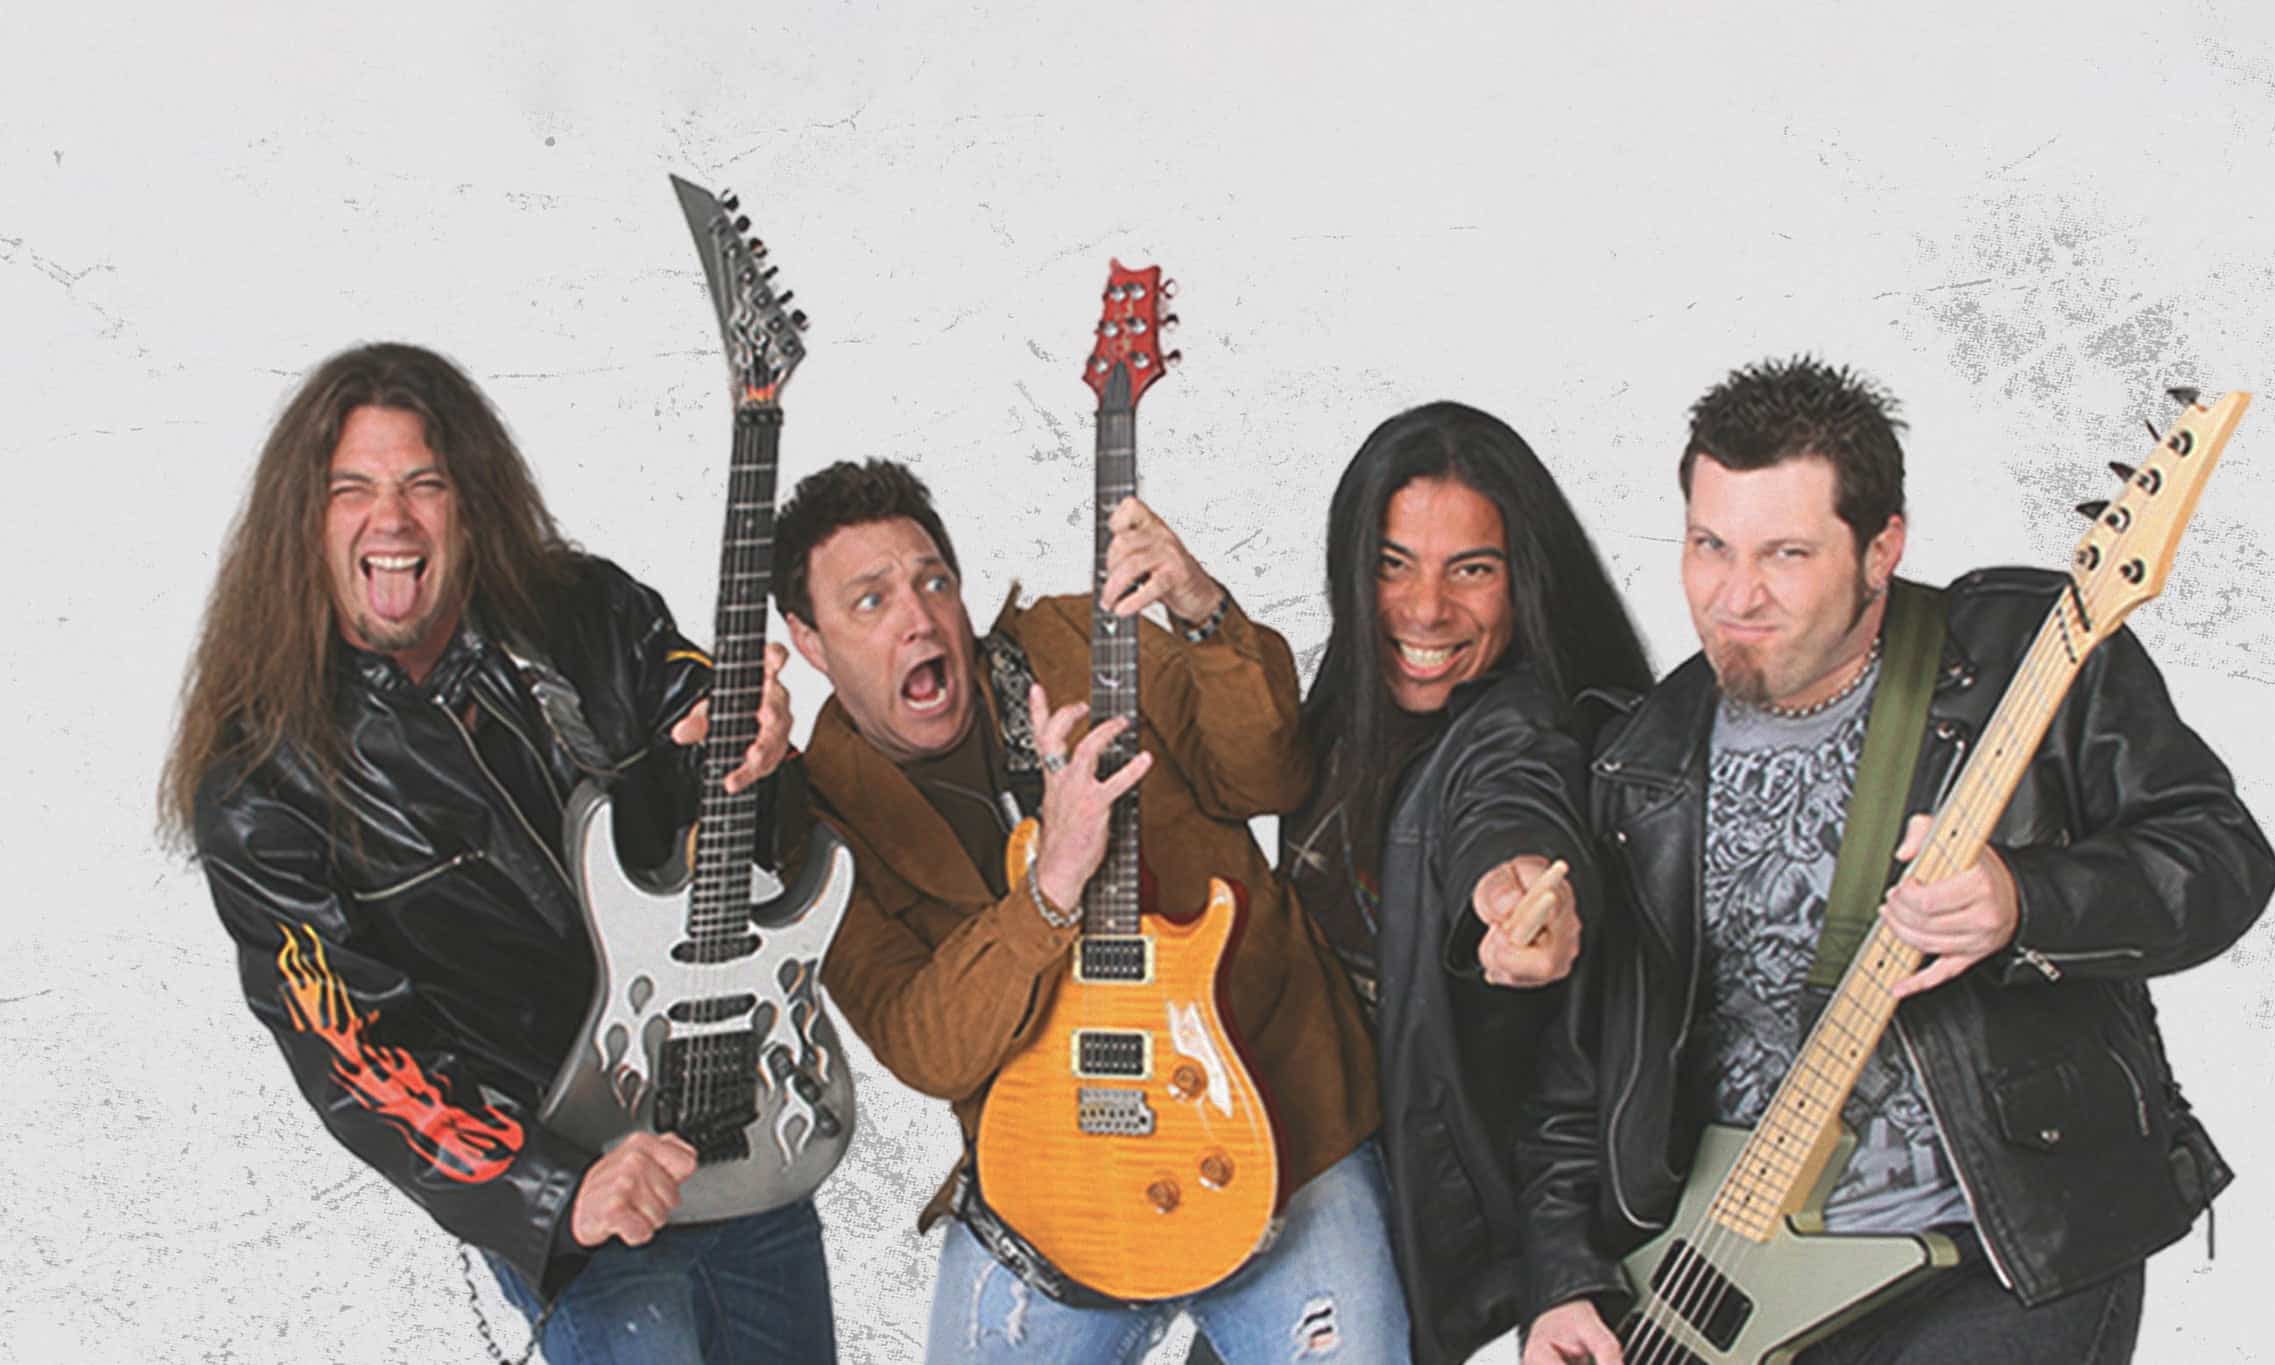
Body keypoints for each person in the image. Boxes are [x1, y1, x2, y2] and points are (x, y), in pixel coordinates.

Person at [1518, 357, 2275, 1364]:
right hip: (1712, 1284)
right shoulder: (1643, 754)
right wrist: (1562, 1277)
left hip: (1990, 1262)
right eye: (1709, 546)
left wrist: (2027, 901)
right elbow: (1583, 1066)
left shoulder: (2025, 654)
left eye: (1786, 553)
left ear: (1881, 549)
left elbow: (2218, 857)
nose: (1735, 595)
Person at [160, 343, 833, 1364]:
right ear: (304, 522)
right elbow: (356, 1053)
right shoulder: (263, 786)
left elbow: (737, 806)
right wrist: (554, 1192)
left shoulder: (593, 613)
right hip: (584, 1197)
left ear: (470, 503)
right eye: (351, 490)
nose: (391, 519)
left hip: (737, 1127)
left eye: (422, 484)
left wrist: (756, 744)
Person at [770, 458, 1404, 1364]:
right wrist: (1050, 886)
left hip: (1279, 1121)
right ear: (808, 639)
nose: (918, 618)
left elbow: (1272, 776)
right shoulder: (818, 825)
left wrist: (1203, 610)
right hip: (1055, 1186)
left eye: (932, 582)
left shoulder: (1083, 642)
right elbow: (923, 1043)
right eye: (869, 601)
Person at [1283, 402, 1653, 1363]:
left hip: (1460, 1263)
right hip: (1314, 1196)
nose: (1425, 609)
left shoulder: (1524, 729)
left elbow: (1514, 803)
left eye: (1472, 569)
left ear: (1526, 581)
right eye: (1393, 563)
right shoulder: (1345, 713)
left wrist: (1517, 888)